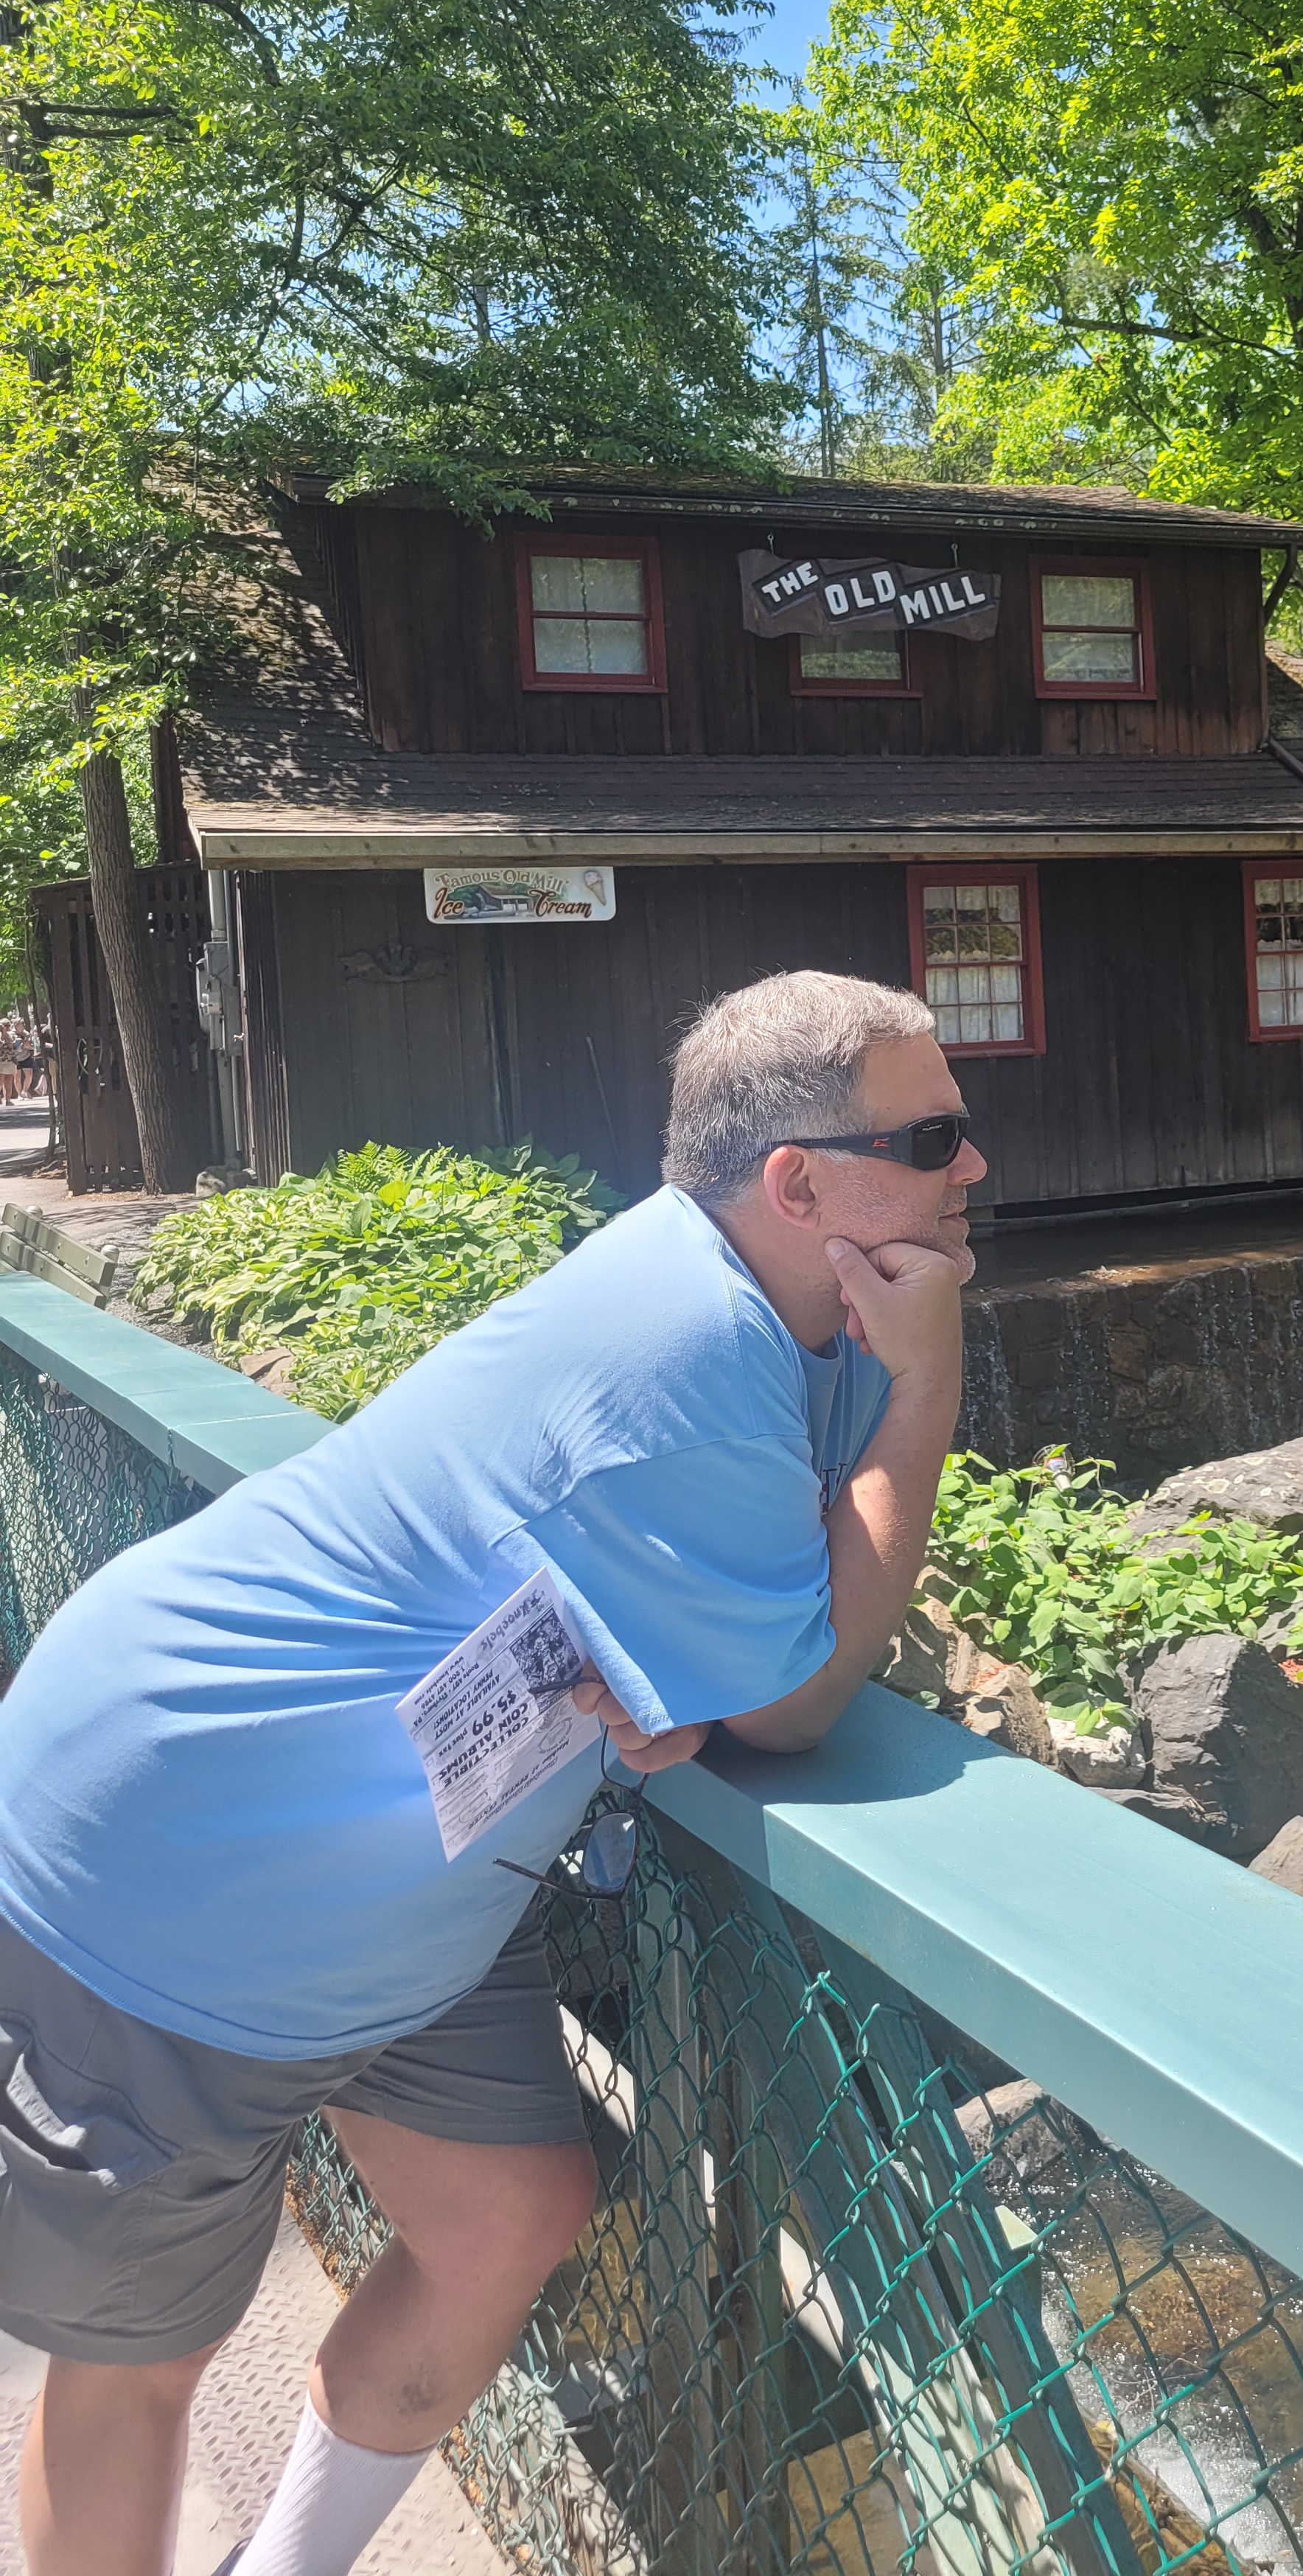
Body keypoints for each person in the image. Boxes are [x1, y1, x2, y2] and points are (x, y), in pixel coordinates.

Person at [0, 969, 986, 2576]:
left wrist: (702, 1663)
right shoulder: (694, 1347)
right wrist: (931, 1381)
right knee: (141, 2358)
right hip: (170, 1854)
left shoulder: (799, 1316)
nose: (975, 1164)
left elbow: (755, 1643)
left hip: (398, 1878)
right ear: (797, 1185)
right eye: (933, 1138)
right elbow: (800, 1702)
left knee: (511, 2211)